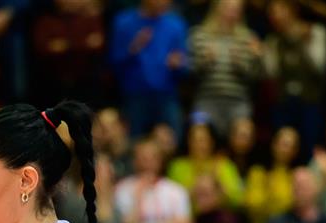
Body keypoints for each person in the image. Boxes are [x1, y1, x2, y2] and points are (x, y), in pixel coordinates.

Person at [109, 0, 189, 139]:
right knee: (134, 143)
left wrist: (178, 64)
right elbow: (113, 62)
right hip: (134, 96)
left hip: (167, 95)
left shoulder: (176, 24)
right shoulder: (124, 23)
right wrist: (133, 49)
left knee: (174, 140)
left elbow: (184, 66)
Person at [263, 0, 326, 159]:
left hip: (310, 101)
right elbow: (271, 72)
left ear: (293, 10)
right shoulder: (273, 40)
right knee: (281, 149)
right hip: (283, 101)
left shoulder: (316, 32)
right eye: (272, 13)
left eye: (280, 11)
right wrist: (263, 53)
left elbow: (319, 67)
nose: (276, 16)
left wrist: (304, 43)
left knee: (309, 148)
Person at [188, 0, 262, 136]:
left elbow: (255, 77)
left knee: (244, 131)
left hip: (238, 102)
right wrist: (205, 62)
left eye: (237, 9)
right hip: (205, 101)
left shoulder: (248, 38)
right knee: (198, 130)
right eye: (228, 7)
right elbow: (190, 72)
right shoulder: (199, 35)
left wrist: (241, 65)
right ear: (217, 8)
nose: (232, 12)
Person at [167, 119, 244, 210]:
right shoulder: (177, 166)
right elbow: (170, 200)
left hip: (219, 216)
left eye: (203, 140)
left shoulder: (224, 164)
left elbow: (238, 200)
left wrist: (219, 185)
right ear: (188, 142)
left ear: (212, 142)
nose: (199, 144)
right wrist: (197, 189)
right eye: (195, 140)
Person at [244, 126, 298, 223]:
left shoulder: (296, 176)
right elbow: (251, 203)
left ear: (295, 151)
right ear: (274, 145)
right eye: (283, 144)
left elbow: (293, 207)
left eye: (291, 146)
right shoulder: (257, 172)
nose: (285, 149)